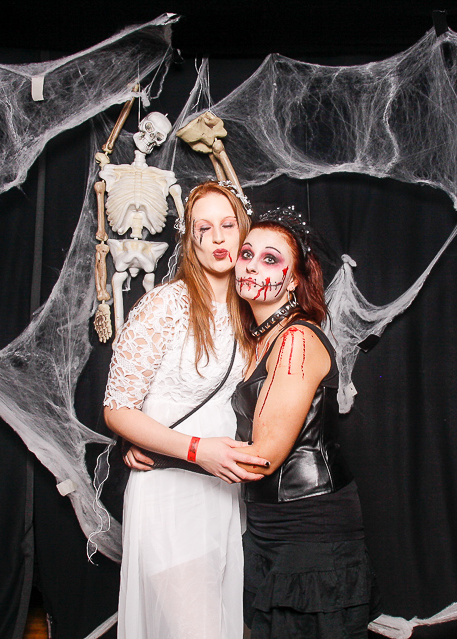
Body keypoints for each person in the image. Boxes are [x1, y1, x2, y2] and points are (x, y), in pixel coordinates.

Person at [103, 180, 270, 639]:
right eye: (204, 229)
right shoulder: (165, 305)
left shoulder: (252, 313)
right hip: (171, 495)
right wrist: (193, 449)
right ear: (190, 240)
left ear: (244, 230)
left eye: (228, 225)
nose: (217, 238)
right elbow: (118, 409)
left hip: (223, 496)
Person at [231, 210, 380, 639]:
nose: (252, 265)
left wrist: (167, 455)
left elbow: (263, 456)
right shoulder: (258, 341)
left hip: (309, 527)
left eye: (271, 259)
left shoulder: (296, 339)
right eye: (247, 254)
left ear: (295, 280)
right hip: (267, 525)